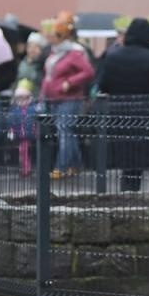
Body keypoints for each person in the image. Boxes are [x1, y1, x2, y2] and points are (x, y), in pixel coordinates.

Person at [96, 18, 149, 191]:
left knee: (124, 156)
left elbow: (102, 85)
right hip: (142, 114)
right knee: (137, 158)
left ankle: (125, 191)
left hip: (117, 113)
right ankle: (132, 193)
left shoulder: (112, 56)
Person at [40, 14, 94, 178]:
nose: (49, 37)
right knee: (66, 132)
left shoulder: (74, 53)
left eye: (53, 34)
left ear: (61, 36)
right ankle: (76, 165)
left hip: (70, 99)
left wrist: (70, 82)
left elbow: (88, 72)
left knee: (64, 131)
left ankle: (61, 167)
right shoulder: (54, 53)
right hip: (55, 99)